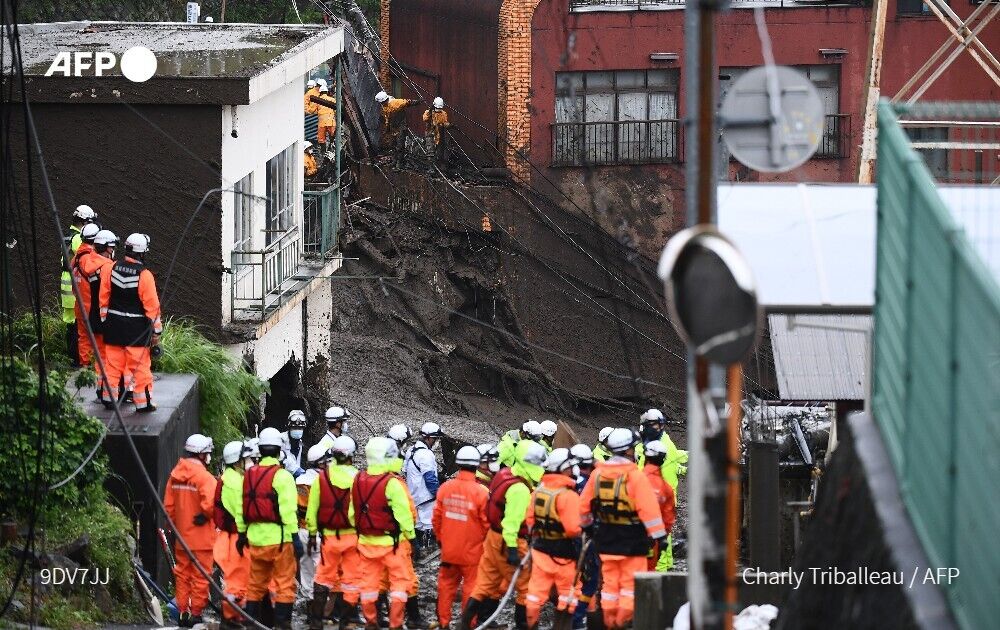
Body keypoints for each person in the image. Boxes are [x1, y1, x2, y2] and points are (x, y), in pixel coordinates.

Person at [579, 428, 667, 630]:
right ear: (629, 450)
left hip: (605, 540)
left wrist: (589, 529)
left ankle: (609, 623)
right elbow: (649, 510)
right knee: (629, 587)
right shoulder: (635, 477)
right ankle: (622, 623)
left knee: (609, 586)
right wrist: (660, 537)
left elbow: (583, 508)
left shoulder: (597, 474)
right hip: (632, 541)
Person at [461, 441, 546, 630]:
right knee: (526, 587)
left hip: (492, 538)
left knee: (485, 584)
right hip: (509, 540)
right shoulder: (521, 490)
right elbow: (511, 523)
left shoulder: (504, 474)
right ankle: (523, 625)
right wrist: (514, 550)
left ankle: (467, 623)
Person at [237, 427, 302, 630]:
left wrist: (241, 534)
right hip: (280, 540)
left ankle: (251, 624)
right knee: (284, 584)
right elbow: (288, 511)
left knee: (255, 584)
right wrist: (295, 537)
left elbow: (243, 507)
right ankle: (282, 625)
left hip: (255, 538)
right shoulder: (283, 477)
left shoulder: (249, 475)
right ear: (278, 450)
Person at [353, 437, 417, 630]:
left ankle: (371, 622)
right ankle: (396, 623)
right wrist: (413, 539)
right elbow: (404, 516)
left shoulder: (358, 479)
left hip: (366, 543)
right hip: (392, 543)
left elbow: (352, 512)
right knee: (399, 585)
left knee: (369, 586)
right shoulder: (392, 483)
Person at [99, 233, 162, 412]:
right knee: (139, 368)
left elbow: (103, 299)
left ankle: (109, 399)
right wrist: (156, 332)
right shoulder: (145, 275)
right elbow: (152, 307)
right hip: (137, 330)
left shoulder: (110, 269)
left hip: (114, 327)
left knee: (112, 366)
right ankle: (143, 404)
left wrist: (106, 322)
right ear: (142, 253)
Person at [432, 445, 490, 629]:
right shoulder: (481, 493)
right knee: (471, 588)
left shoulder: (445, 488)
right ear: (477, 466)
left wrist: (442, 540)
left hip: (449, 551)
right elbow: (487, 524)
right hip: (473, 553)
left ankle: (443, 622)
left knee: (446, 586)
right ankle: (468, 624)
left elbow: (436, 519)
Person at [307, 435, 361, 630]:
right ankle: (346, 622)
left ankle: (316, 622)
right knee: (351, 579)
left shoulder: (322, 478)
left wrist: (312, 534)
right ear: (351, 456)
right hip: (352, 537)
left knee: (322, 577)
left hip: (329, 537)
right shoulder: (358, 477)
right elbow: (360, 509)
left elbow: (312, 509)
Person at [524, 448, 582, 630]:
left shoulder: (538, 492)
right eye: (571, 467)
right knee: (568, 595)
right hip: (564, 555)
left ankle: (530, 624)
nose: (573, 470)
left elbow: (529, 521)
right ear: (563, 469)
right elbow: (573, 530)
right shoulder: (569, 496)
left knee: (535, 594)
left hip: (540, 550)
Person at [163, 434, 217, 628]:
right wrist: (205, 515)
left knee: (182, 575)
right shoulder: (205, 478)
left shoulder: (175, 475)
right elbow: (211, 506)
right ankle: (196, 614)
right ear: (202, 454)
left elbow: (168, 507)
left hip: (181, 537)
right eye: (208, 453)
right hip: (202, 538)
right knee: (201, 577)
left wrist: (173, 526)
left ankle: (183, 612)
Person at [635, 408, 687, 570]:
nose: (654, 428)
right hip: (661, 490)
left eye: (656, 425)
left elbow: (670, 459)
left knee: (659, 530)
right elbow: (673, 458)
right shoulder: (659, 442)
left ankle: (661, 564)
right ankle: (666, 561)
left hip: (660, 492)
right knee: (663, 529)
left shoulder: (657, 443)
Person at [214, 440, 253, 630]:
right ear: (237, 461)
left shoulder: (230, 478)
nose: (249, 462)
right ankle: (231, 618)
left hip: (231, 536)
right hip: (236, 537)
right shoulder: (234, 483)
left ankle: (234, 616)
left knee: (237, 579)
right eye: (245, 458)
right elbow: (240, 512)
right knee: (237, 579)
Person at [568, 444, 599, 630]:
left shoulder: (566, 483)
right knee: (590, 580)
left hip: (564, 539)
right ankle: (578, 618)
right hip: (586, 538)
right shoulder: (592, 484)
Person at [62, 204, 97, 365]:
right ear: (85, 222)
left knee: (70, 324)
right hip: (75, 288)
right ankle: (77, 361)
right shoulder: (78, 239)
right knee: (77, 327)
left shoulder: (68, 235)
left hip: (67, 285)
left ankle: (71, 358)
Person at [403, 421, 443, 558]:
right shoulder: (426, 454)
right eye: (436, 438)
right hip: (426, 497)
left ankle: (416, 553)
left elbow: (405, 471)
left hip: (413, 495)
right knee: (428, 525)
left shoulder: (411, 450)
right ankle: (428, 553)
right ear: (428, 438)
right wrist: (439, 495)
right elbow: (430, 479)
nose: (437, 442)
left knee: (417, 525)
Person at [297, 443, 331, 603]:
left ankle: (308, 600)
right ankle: (321, 603)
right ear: (321, 462)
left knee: (305, 566)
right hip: (317, 532)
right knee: (321, 567)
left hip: (300, 530)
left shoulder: (299, 480)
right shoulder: (323, 482)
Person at [69, 224, 101, 385]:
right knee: (96, 338)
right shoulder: (90, 258)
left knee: (83, 337)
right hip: (90, 306)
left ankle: (84, 366)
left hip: (79, 305)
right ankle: (95, 369)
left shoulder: (76, 257)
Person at [641, 441, 676, 571]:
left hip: (626, 537)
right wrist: (662, 538)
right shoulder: (665, 488)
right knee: (647, 577)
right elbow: (668, 519)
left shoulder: (633, 478)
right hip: (652, 541)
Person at [375, 90, 420, 169]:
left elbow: (407, 102)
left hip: (401, 126)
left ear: (384, 100)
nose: (381, 104)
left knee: (400, 145)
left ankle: (400, 163)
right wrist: (387, 127)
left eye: (381, 103)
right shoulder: (385, 106)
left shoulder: (395, 103)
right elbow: (387, 118)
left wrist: (418, 102)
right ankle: (395, 160)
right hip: (394, 127)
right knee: (393, 145)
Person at [422, 97, 452, 167]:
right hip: (430, 133)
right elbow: (425, 119)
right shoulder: (428, 112)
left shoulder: (443, 113)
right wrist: (430, 111)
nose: (438, 110)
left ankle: (438, 165)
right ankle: (431, 167)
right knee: (430, 150)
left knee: (439, 150)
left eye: (440, 109)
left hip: (439, 133)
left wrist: (449, 125)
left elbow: (444, 123)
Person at [281, 410, 308, 478]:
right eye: (295, 428)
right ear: (289, 427)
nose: (297, 430)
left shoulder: (300, 443)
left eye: (300, 428)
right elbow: (285, 461)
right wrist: (300, 472)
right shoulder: (280, 439)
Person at [315, 85, 337, 151]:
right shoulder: (332, 100)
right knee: (333, 135)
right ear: (327, 92)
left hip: (322, 123)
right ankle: (332, 149)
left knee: (321, 139)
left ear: (320, 92)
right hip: (331, 121)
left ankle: (323, 152)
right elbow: (336, 110)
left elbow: (313, 110)